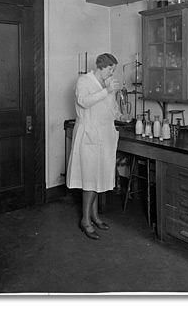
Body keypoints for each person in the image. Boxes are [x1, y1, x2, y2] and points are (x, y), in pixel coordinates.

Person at [66, 53, 128, 239]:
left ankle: (94, 215)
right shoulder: (83, 81)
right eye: (110, 69)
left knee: (98, 176)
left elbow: (112, 108)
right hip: (89, 135)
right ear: (102, 66)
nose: (112, 73)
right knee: (90, 177)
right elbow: (83, 102)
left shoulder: (107, 84)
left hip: (105, 135)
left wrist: (120, 116)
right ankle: (85, 220)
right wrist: (107, 90)